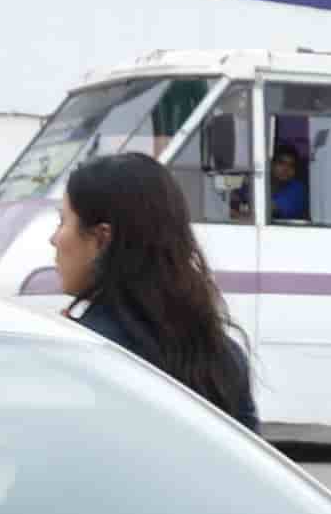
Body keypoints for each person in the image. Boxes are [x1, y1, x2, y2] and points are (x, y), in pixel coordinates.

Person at [53, 150, 258, 427]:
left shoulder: (86, 353)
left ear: (102, 238)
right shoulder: (223, 356)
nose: (53, 239)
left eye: (62, 221)